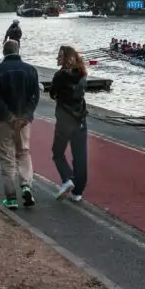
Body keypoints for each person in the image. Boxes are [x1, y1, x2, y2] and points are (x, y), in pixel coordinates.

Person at [0, 39, 40, 210]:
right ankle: (26, 185)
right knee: (23, 152)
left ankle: (11, 198)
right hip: (24, 121)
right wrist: (25, 116)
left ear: (4, 52)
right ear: (18, 50)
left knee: (6, 157)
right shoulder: (31, 70)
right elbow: (34, 97)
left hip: (4, 120)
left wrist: (10, 117)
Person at [50, 46, 89, 202]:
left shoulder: (59, 76)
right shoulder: (82, 74)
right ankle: (78, 192)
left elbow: (53, 94)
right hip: (80, 120)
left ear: (65, 58)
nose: (57, 58)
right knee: (80, 156)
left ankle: (67, 179)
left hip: (65, 120)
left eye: (59, 55)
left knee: (57, 152)